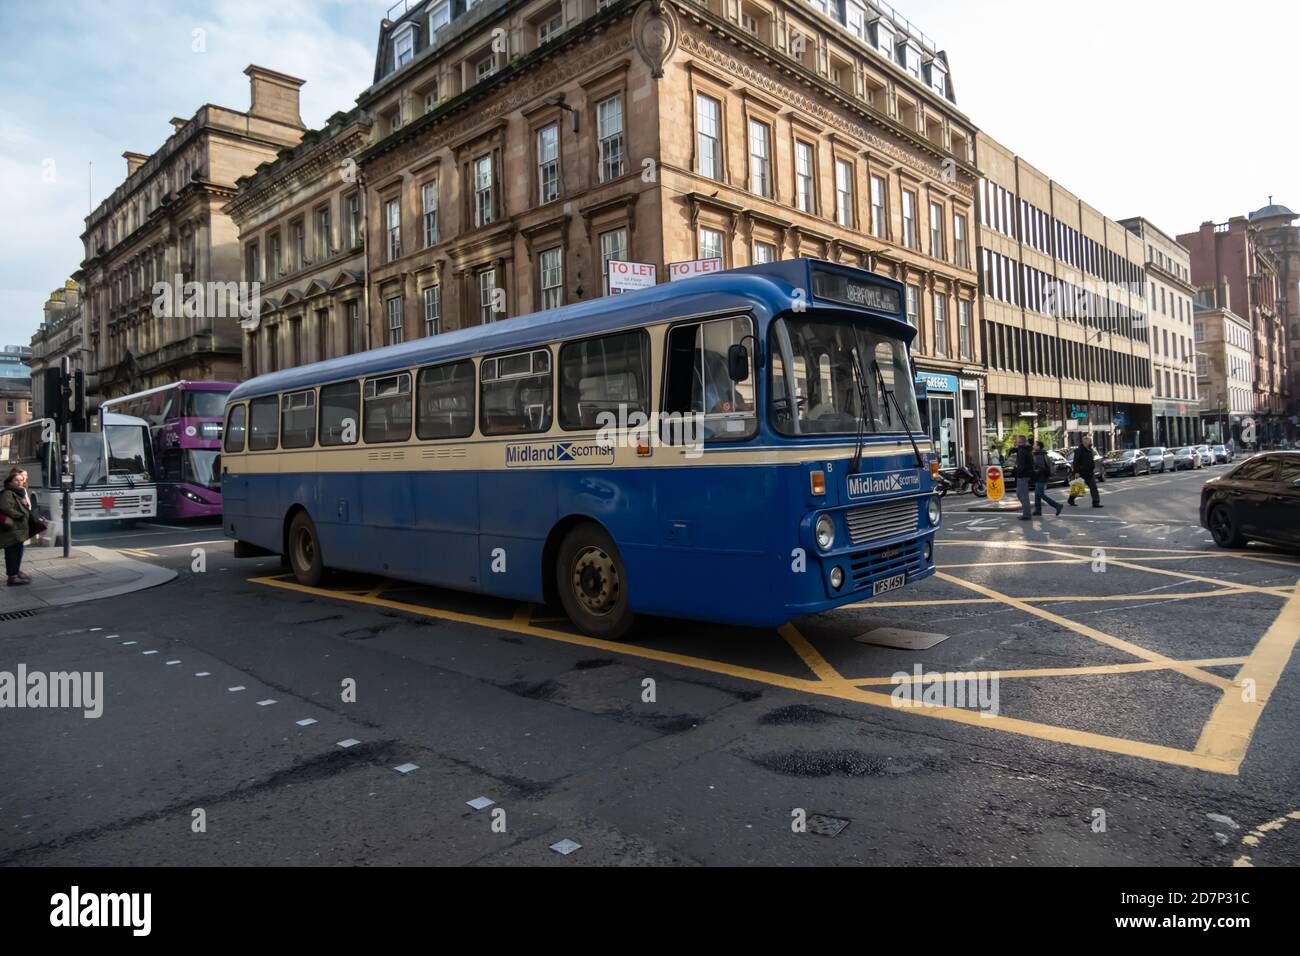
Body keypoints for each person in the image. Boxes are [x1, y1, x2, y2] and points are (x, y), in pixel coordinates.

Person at [1, 467, 34, 587]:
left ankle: (15, 573)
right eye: (17, 480)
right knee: (11, 553)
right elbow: (6, 507)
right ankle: (12, 577)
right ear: (10, 482)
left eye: (21, 480)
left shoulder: (17, 493)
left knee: (17, 551)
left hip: (18, 529)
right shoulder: (8, 492)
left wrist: (23, 505)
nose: (20, 482)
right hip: (11, 530)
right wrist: (19, 515)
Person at [1068, 434, 1102, 508]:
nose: (1091, 443)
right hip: (1081, 472)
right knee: (1078, 487)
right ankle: (1071, 499)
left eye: (1090, 441)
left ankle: (1096, 503)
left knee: (1093, 487)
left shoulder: (1090, 450)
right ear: (1085, 442)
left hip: (1089, 472)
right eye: (1090, 441)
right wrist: (1076, 472)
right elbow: (1075, 462)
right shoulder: (1079, 450)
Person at [1032, 441, 1064, 517]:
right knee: (1037, 494)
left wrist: (1034, 472)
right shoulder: (1042, 453)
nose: (1033, 446)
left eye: (1035, 445)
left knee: (1040, 494)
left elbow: (1040, 468)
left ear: (1038, 447)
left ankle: (1057, 505)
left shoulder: (1039, 455)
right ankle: (1038, 510)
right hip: (1041, 476)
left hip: (1041, 477)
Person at [1012, 434, 1034, 521]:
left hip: (1023, 475)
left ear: (1020, 442)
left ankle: (1027, 514)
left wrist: (1019, 473)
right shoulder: (1026, 449)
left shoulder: (1022, 450)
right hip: (1026, 474)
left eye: (1017, 441)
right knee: (1020, 494)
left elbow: (1021, 464)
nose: (1016, 442)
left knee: (1022, 495)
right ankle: (1027, 512)